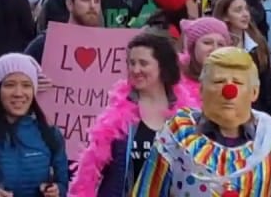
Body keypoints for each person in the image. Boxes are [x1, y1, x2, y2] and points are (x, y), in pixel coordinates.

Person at [131, 47, 271, 197]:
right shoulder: (176, 135)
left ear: (254, 93)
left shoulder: (270, 139)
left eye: (238, 82)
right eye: (218, 81)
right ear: (201, 90)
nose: (229, 91)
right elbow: (147, 191)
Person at [72, 32, 195, 197]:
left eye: (143, 63)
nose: (136, 70)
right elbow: (90, 169)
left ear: (163, 66)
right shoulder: (117, 113)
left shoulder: (185, 115)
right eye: (131, 63)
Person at [0, 53, 69, 197]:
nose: (18, 93)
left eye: (26, 85)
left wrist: (57, 190)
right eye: (10, 85)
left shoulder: (50, 134)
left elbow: (64, 183)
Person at [214, 0, 271, 119]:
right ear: (225, 16)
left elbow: (268, 91)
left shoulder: (259, 43)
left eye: (246, 9)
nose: (245, 14)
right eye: (238, 10)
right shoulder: (217, 45)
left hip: (256, 114)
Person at [26, 0, 103, 62]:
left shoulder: (107, 47)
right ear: (69, 4)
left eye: (96, 1)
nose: (92, 5)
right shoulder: (45, 44)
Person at [179, 17, 232, 103]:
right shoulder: (175, 80)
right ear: (193, 47)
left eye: (221, 44)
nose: (215, 49)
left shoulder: (234, 78)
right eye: (207, 42)